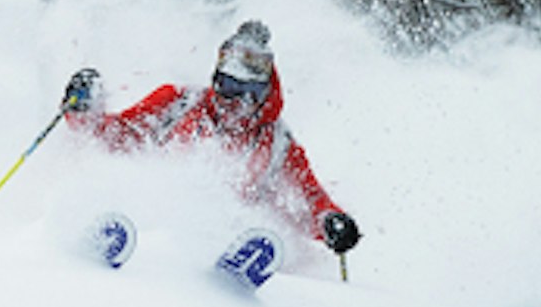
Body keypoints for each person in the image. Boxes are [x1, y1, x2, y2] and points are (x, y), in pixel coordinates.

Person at [61, 20, 361, 257]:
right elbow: (115, 137)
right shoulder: (178, 103)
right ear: (215, 80)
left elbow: (311, 203)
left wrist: (332, 223)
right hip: (151, 229)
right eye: (228, 88)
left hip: (217, 237)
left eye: (249, 93)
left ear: (265, 94)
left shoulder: (277, 144)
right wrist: (84, 111)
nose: (237, 103)